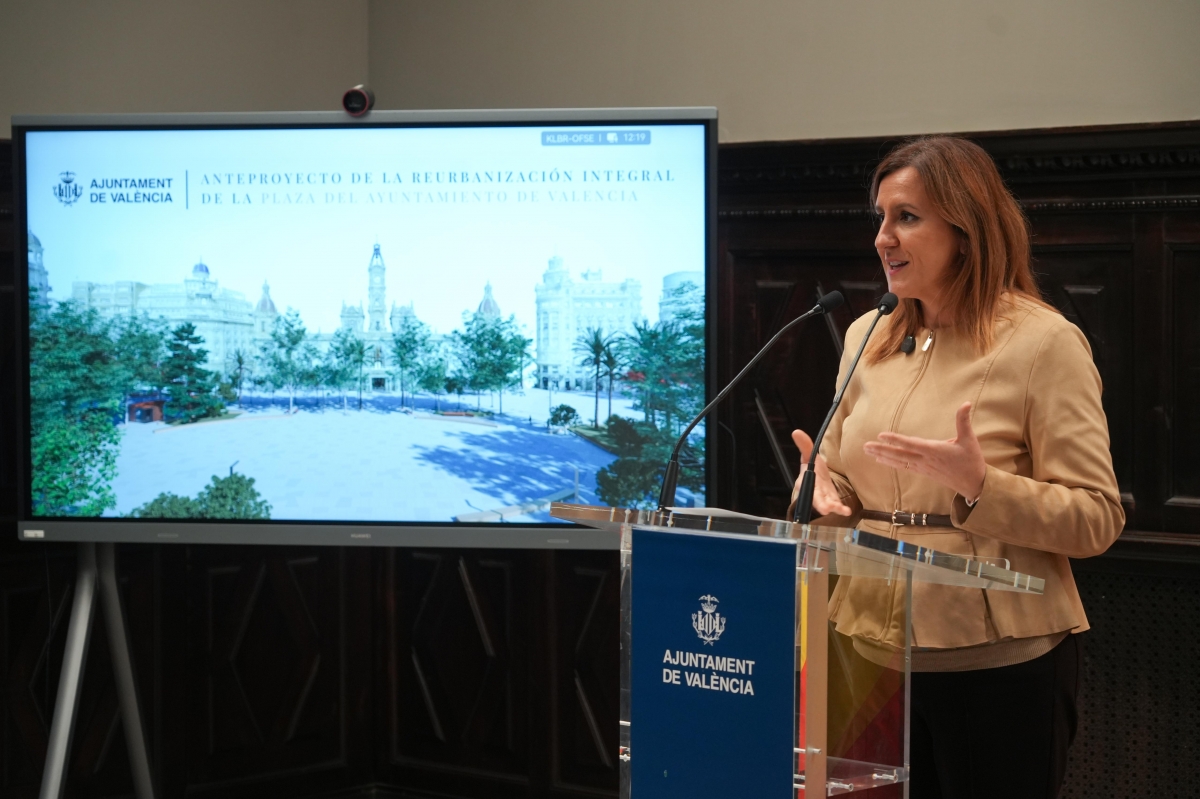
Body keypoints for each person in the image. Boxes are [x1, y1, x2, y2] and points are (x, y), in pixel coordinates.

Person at [790, 136, 1124, 799]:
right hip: (867, 658)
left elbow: (1097, 517)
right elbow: (846, 472)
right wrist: (822, 489)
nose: (884, 237)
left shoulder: (1043, 343)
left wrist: (981, 485)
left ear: (966, 231)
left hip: (999, 670)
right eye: (880, 218)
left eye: (907, 217)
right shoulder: (866, 335)